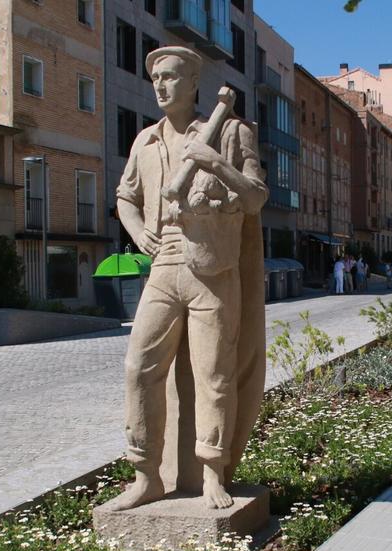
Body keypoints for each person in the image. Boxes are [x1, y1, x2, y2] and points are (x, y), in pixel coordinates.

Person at [111, 46, 268, 511]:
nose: (160, 85)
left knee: (213, 375)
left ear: (194, 82)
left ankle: (213, 474)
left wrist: (215, 161)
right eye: (155, 78)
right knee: (139, 367)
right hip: (164, 266)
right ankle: (146, 476)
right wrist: (138, 231)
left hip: (214, 268)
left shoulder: (231, 132)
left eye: (170, 77)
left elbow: (257, 197)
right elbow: (126, 196)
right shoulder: (145, 142)